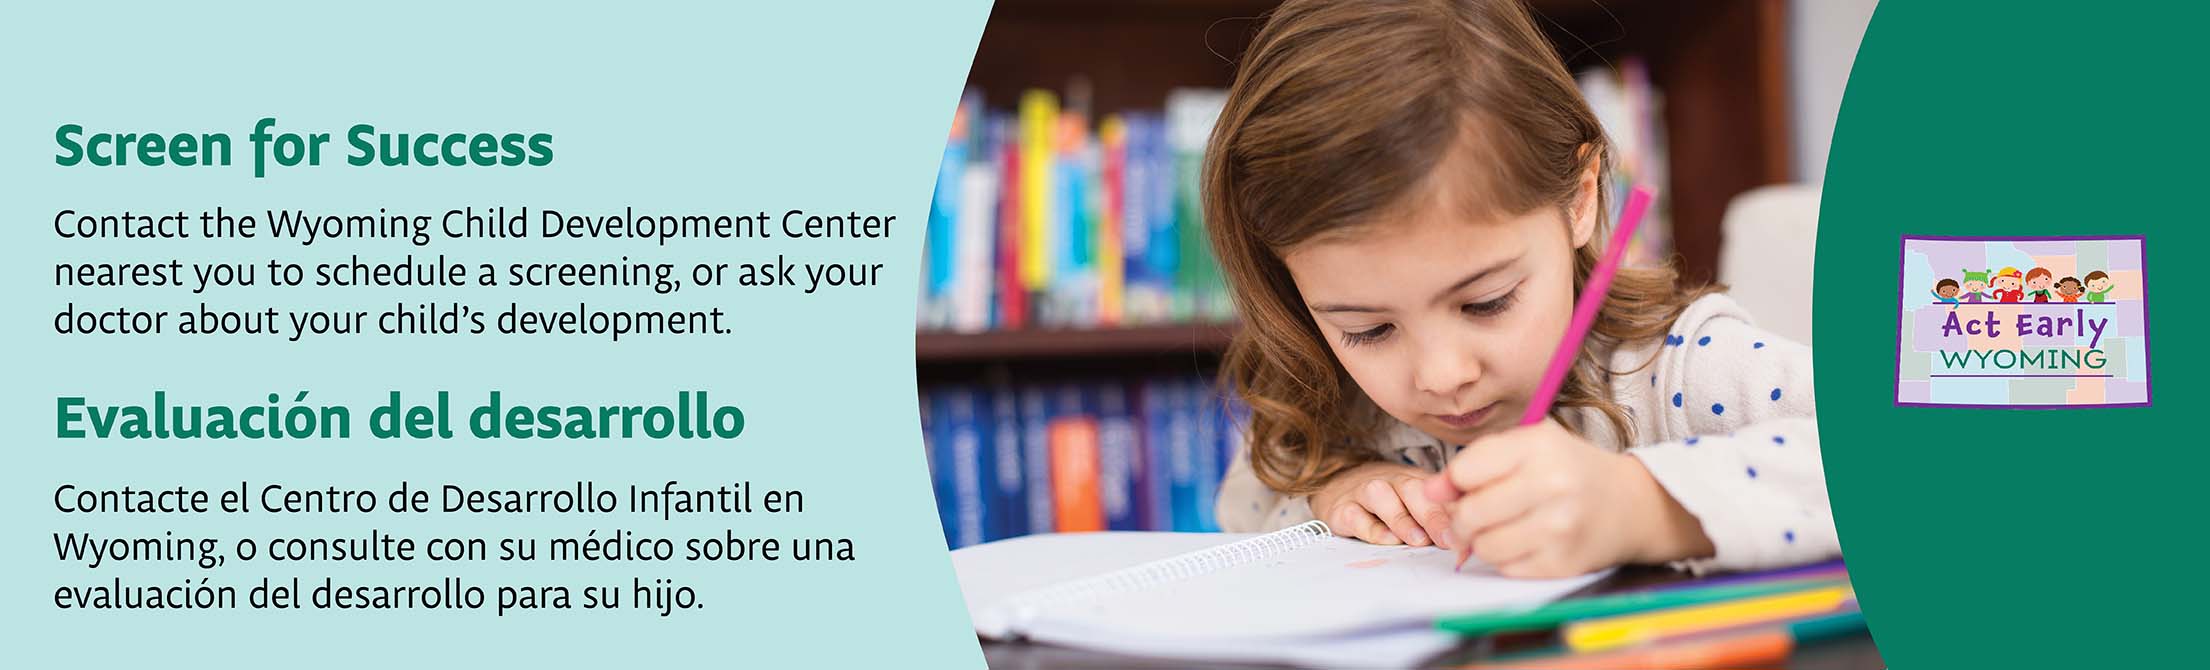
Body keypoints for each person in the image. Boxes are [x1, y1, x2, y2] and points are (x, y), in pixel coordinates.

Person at [1206, 0, 1833, 577]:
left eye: (1486, 302)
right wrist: (1336, 493)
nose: (1442, 375)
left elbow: (1912, 452)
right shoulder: (1332, 403)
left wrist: (1643, 505)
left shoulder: (1677, 369)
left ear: (1580, 199)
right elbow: (1244, 507)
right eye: (1368, 330)